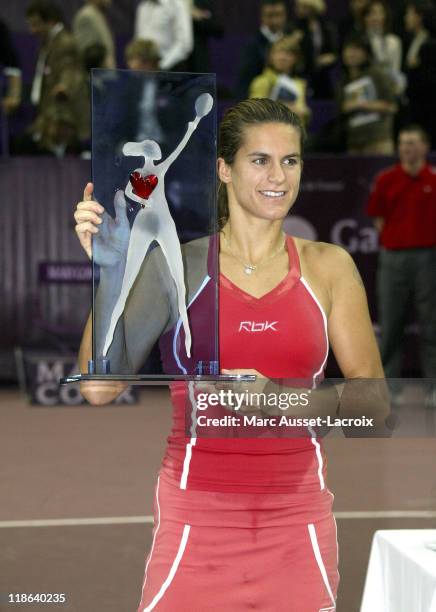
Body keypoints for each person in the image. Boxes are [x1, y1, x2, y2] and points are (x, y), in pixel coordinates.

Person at [74, 98, 385, 610]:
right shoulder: (178, 266)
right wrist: (109, 275)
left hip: (297, 521)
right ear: (224, 168)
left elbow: (373, 403)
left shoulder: (330, 267)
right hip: (195, 522)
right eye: (259, 160)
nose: (278, 176)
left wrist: (277, 402)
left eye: (291, 161)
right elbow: (99, 387)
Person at [367, 124, 436, 378]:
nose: (407, 148)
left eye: (412, 142)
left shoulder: (433, 180)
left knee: (431, 324)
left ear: (425, 147)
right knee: (391, 323)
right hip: (393, 258)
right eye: (403, 143)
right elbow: (378, 218)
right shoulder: (386, 179)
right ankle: (389, 385)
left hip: (427, 258)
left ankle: (433, 386)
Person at [16, 0, 89, 154]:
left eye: (36, 24)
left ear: (50, 21)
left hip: (63, 117)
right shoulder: (49, 42)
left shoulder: (65, 43)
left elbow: (69, 70)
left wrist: (64, 86)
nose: (32, 31)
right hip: (48, 113)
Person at [337, 35, 397, 154]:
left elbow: (391, 106)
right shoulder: (342, 81)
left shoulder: (377, 74)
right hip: (353, 142)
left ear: (366, 53)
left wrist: (360, 104)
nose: (351, 54)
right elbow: (341, 108)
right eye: (348, 49)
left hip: (379, 140)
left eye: (356, 49)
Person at [249, 37, 311, 124]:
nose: (282, 57)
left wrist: (305, 112)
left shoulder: (300, 83)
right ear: (270, 56)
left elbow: (302, 116)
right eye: (278, 52)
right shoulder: (261, 81)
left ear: (296, 58)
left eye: (288, 53)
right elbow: (254, 114)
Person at [237, 0, 291, 98]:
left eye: (279, 15)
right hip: (260, 103)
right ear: (262, 17)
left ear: (285, 15)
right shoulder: (251, 47)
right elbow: (244, 83)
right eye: (270, 15)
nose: (275, 21)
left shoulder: (292, 41)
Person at [402, 0, 436, 146]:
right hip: (415, 107)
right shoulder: (411, 41)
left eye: (409, 14)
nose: (405, 18)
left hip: (428, 111)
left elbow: (428, 80)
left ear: (419, 17)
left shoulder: (431, 44)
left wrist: (415, 70)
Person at [292, 0, 338, 99]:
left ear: (313, 8)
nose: (300, 10)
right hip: (302, 75)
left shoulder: (325, 26)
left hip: (322, 76)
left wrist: (330, 57)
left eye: (304, 7)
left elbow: (333, 51)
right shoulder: (294, 28)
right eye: (298, 7)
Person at [134, 0, 193, 71]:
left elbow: (184, 44)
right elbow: (139, 38)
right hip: (145, 70)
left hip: (170, 69)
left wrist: (160, 66)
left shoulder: (176, 4)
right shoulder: (143, 6)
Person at [362, 0, 405, 94]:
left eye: (379, 13)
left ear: (385, 16)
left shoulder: (394, 41)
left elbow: (395, 69)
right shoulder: (360, 40)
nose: (375, 17)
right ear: (364, 17)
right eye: (371, 13)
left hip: (388, 86)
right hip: (365, 87)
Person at [73, 0, 116, 70]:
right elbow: (86, 54)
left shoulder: (99, 14)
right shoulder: (86, 16)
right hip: (94, 77)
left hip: (104, 74)